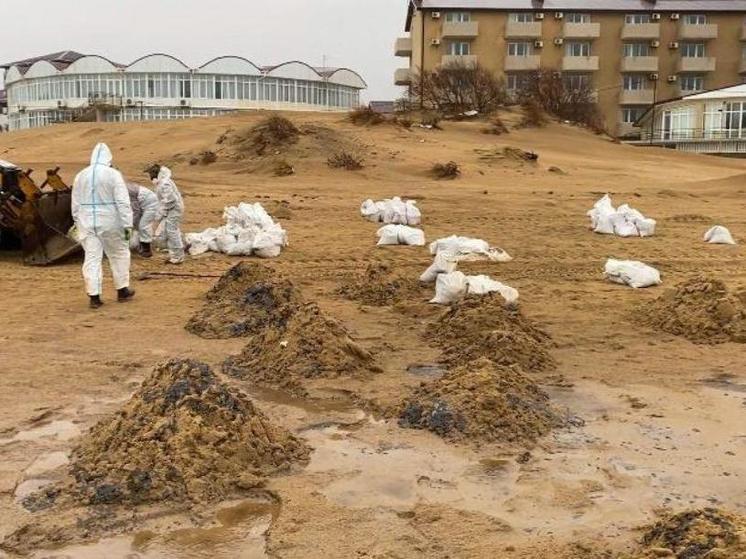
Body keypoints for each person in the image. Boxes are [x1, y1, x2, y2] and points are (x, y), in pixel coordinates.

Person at [71, 143, 135, 308]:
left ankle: (94, 297)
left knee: (92, 259)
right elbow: (123, 202)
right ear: (109, 158)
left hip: (86, 222)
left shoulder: (80, 175)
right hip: (110, 222)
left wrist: (77, 222)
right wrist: (128, 225)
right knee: (119, 254)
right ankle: (122, 290)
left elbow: (75, 204)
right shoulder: (113, 174)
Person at [148, 164, 185, 264]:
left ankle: (178, 257)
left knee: (171, 231)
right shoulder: (161, 183)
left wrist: (162, 211)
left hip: (174, 209)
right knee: (168, 231)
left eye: (151, 174)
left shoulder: (164, 183)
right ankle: (175, 253)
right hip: (171, 209)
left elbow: (171, 199)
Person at [126, 182, 158, 257]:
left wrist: (130, 225)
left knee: (143, 226)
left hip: (150, 204)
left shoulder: (127, 192)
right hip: (141, 204)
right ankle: (138, 244)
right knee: (136, 225)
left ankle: (147, 249)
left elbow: (135, 211)